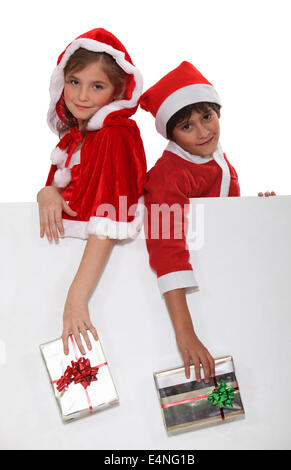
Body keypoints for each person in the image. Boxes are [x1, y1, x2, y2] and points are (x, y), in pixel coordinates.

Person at [37, 28, 147, 356]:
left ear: (116, 92)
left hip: (103, 281)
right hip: (66, 269)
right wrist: (46, 192)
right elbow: (65, 201)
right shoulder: (73, 140)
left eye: (96, 86)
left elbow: (109, 219)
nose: (82, 96)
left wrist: (75, 299)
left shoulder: (116, 135)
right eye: (74, 82)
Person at [140, 61, 243, 384]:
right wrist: (185, 333)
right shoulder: (168, 175)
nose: (203, 132)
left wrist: (255, 213)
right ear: (170, 134)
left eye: (207, 117)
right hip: (174, 296)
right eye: (187, 127)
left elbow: (220, 223)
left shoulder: (216, 159)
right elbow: (165, 249)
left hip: (221, 279)